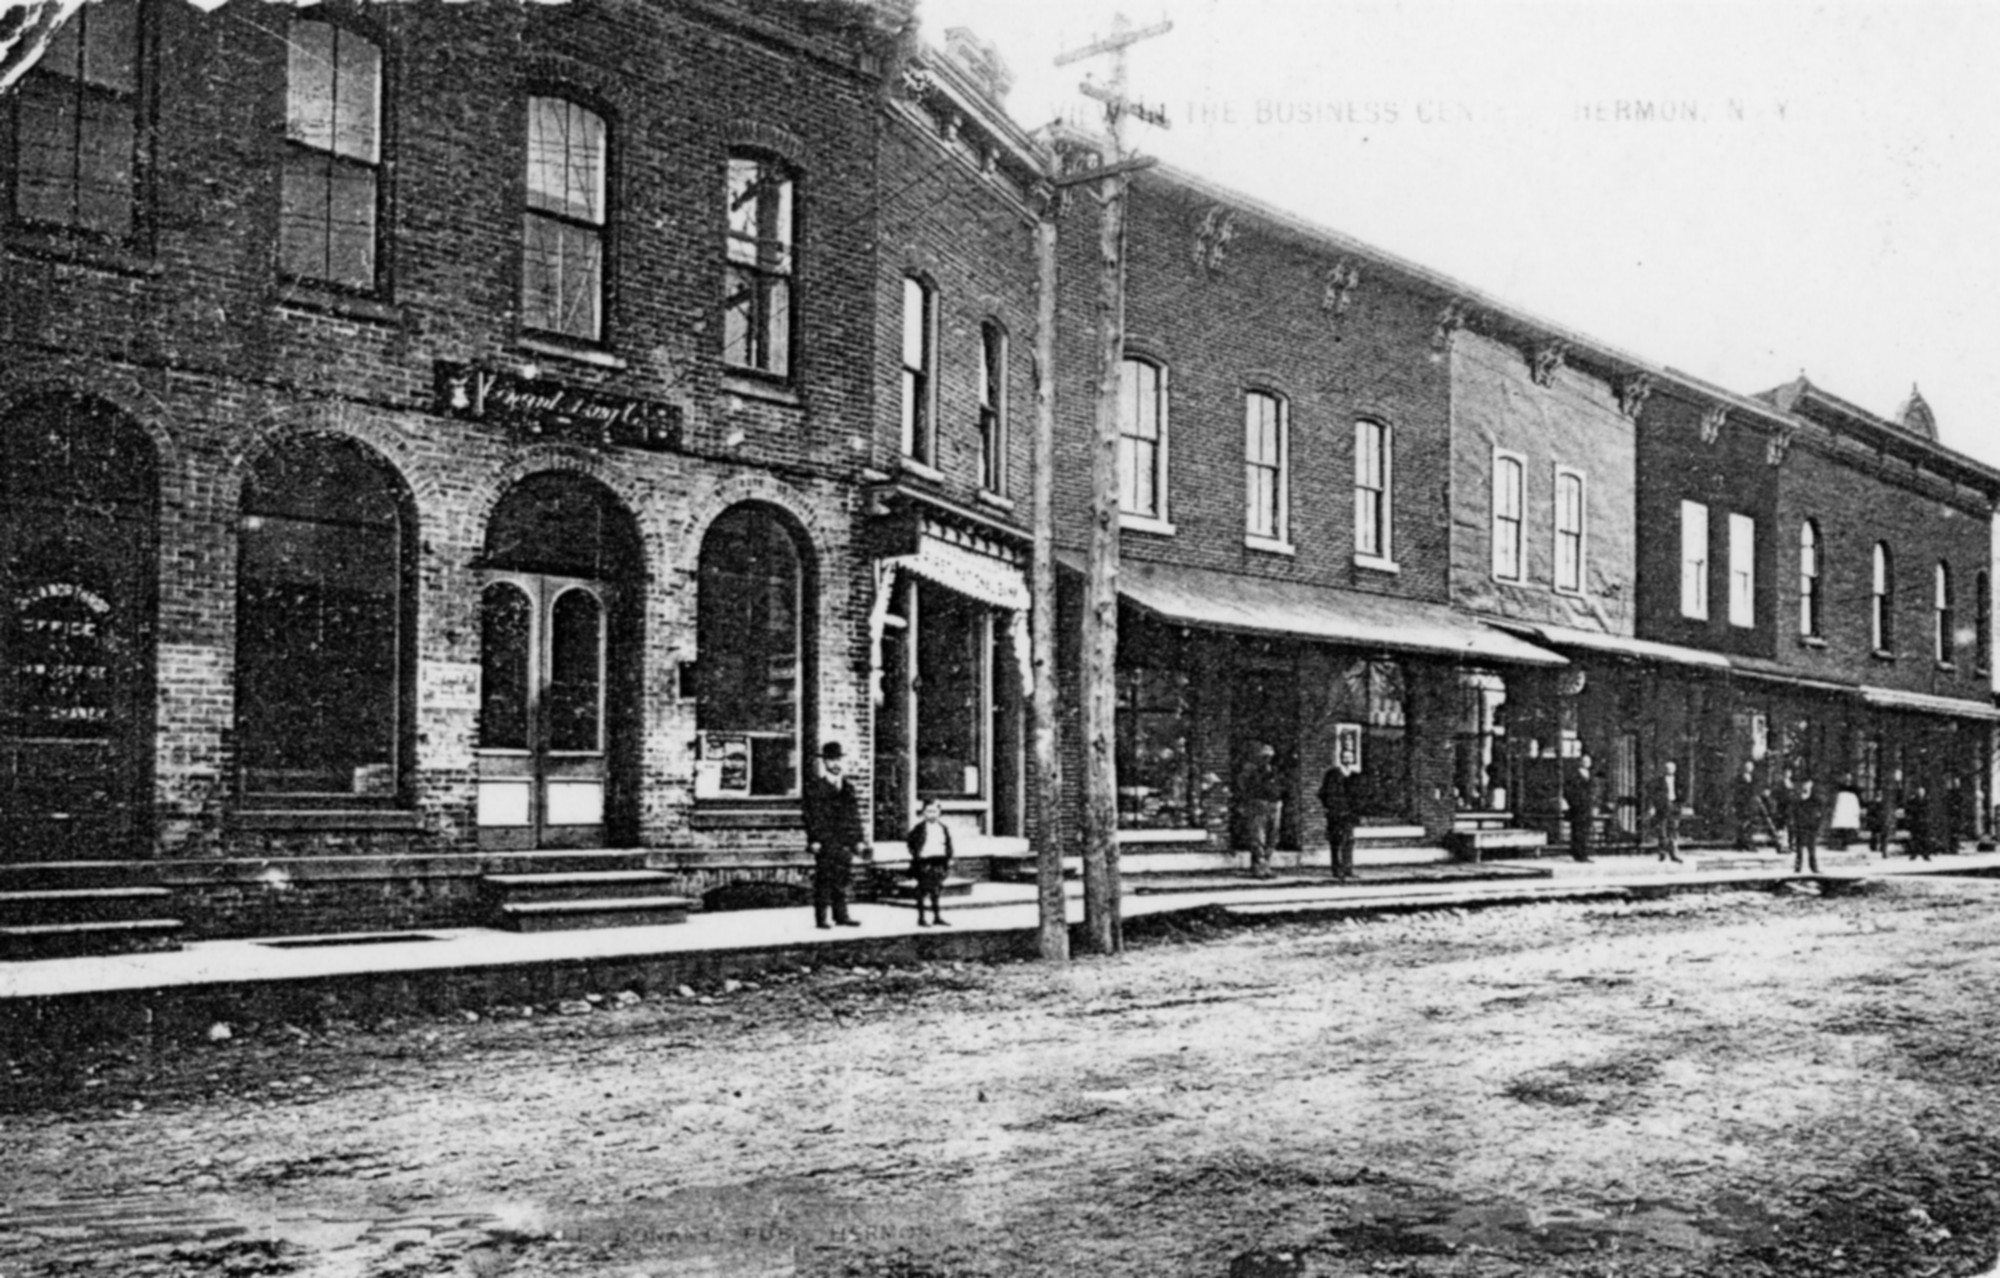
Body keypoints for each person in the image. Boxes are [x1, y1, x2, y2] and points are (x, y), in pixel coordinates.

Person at [801, 741, 867, 929]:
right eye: (831, 760)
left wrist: (859, 840)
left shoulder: (847, 787)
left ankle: (842, 915)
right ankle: (821, 918)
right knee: (824, 880)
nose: (835, 764)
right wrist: (814, 839)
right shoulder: (815, 786)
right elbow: (810, 816)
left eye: (838, 760)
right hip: (825, 841)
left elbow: (855, 816)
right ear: (824, 763)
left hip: (844, 841)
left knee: (842, 878)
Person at [1237, 742, 1285, 879]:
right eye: (1264, 756)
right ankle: (1259, 866)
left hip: (1274, 805)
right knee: (1258, 836)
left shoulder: (1275, 770)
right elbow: (1244, 786)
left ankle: (1266, 865)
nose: (1267, 759)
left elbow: (1282, 785)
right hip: (1258, 804)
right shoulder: (1251, 770)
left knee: (1273, 836)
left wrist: (1279, 799)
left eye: (1270, 756)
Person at [905, 797, 955, 926]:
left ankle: (937, 916)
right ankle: (921, 918)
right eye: (928, 811)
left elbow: (948, 844)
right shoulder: (919, 828)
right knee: (923, 889)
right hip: (925, 861)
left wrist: (949, 858)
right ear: (923, 813)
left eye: (934, 811)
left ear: (939, 812)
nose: (931, 814)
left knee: (936, 889)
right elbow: (911, 842)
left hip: (939, 860)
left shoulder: (943, 828)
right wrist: (917, 855)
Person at [1318, 752, 1359, 880]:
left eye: (1350, 757)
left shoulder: (1354, 776)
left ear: (1353, 759)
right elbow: (1323, 793)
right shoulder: (1332, 774)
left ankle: (1348, 868)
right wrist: (1331, 808)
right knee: (1336, 841)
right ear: (1341, 759)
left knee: (1349, 841)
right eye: (1345, 757)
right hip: (1336, 814)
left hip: (1349, 814)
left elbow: (1358, 796)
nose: (1347, 759)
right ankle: (1337, 869)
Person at [1646, 760, 1686, 863]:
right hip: (1663, 807)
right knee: (1662, 831)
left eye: (1671, 768)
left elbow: (1683, 793)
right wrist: (1653, 807)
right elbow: (1652, 794)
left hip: (1674, 807)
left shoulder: (1679, 781)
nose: (1669, 770)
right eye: (1667, 768)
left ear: (1675, 769)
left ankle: (1674, 854)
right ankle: (1662, 854)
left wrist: (1680, 805)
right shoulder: (1658, 781)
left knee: (1673, 831)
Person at [1563, 753, 1599, 863]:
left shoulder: (1590, 775)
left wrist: (1595, 804)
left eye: (1588, 761)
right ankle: (1578, 853)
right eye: (1584, 761)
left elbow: (1594, 791)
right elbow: (1568, 790)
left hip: (1587, 806)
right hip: (1578, 806)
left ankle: (1584, 852)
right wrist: (1573, 803)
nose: (1586, 763)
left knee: (1585, 829)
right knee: (1578, 829)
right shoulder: (1574, 775)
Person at [1789, 775, 1828, 874]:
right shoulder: (1797, 798)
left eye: (1808, 784)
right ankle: (1798, 867)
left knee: (1811, 847)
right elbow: (1793, 810)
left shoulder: (1815, 799)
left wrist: (1817, 822)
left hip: (1811, 825)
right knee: (1799, 848)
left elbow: (1820, 811)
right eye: (1805, 784)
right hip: (1800, 824)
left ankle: (1813, 867)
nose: (1806, 786)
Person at [1729, 761, 1768, 852]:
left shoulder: (1754, 779)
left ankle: (1747, 843)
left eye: (1750, 767)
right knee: (1742, 824)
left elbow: (1756, 790)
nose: (1749, 769)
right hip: (1741, 804)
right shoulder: (1738, 779)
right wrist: (1734, 804)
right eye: (1747, 767)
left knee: (1750, 824)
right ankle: (1741, 843)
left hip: (1751, 804)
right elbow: (1735, 792)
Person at [1871, 769, 1904, 856]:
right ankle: (1875, 847)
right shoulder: (1876, 801)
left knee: (1884, 834)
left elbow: (1898, 798)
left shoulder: (1886, 799)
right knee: (1876, 833)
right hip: (1877, 819)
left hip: (1883, 818)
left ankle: (1883, 850)